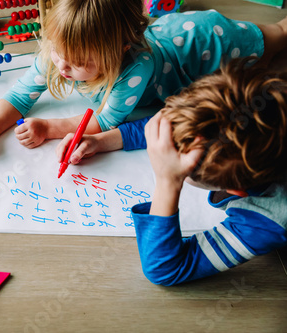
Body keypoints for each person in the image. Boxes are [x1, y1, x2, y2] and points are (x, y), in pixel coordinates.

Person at [0, 0, 287, 158]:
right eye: (58, 52)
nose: (62, 66)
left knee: (276, 40)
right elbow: (21, 95)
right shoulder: (60, 51)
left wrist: (49, 128)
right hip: (173, 33)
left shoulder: (136, 67)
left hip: (208, 44)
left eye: (79, 63)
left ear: (119, 51)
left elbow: (106, 121)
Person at [66, 57, 287, 286]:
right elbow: (184, 128)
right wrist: (102, 141)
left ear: (234, 191)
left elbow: (165, 269)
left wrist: (167, 181)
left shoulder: (269, 218)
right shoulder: (269, 102)